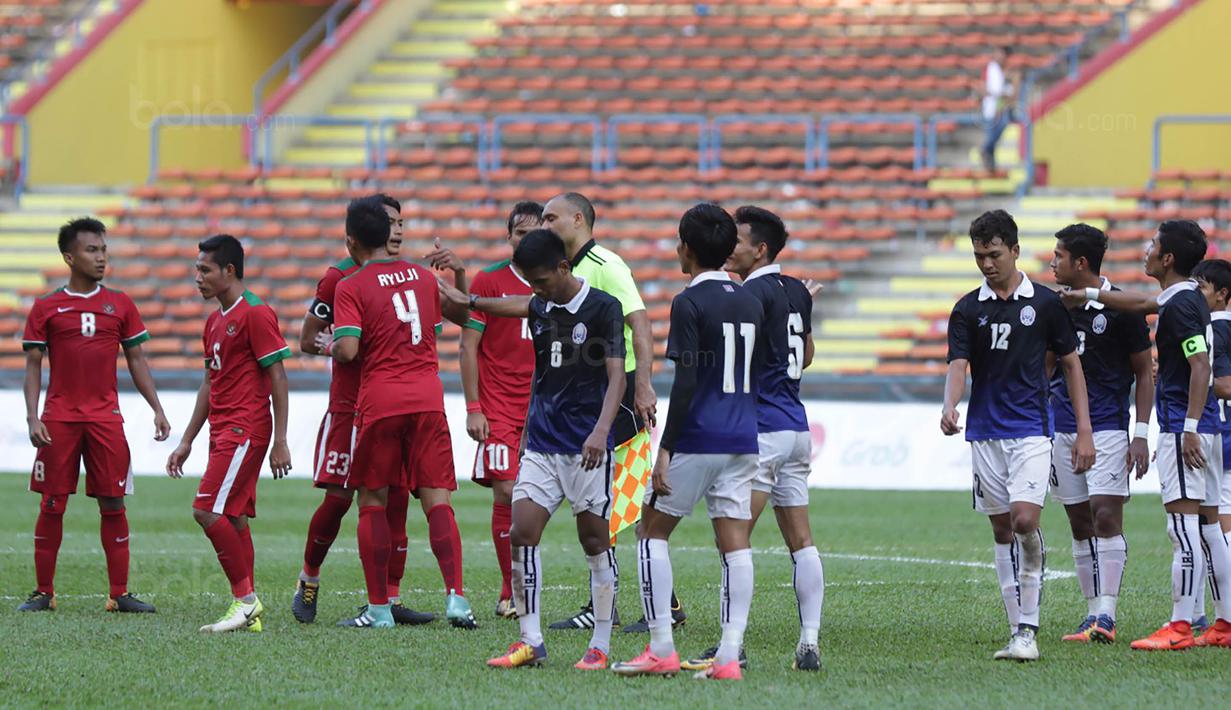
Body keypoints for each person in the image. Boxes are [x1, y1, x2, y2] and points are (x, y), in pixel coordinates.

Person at [440, 228, 626, 669]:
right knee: (522, 530)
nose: (536, 292)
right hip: (542, 442)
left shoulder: (603, 308)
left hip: (587, 446)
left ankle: (599, 644)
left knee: (594, 539)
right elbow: (520, 305)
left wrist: (601, 431)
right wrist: (472, 302)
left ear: (564, 268)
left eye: (541, 281)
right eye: (531, 284)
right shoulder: (541, 301)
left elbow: (617, 376)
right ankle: (530, 640)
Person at [1062, 220, 1231, 649]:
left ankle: (1178, 627)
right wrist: (1090, 294)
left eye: (1153, 244)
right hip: (1206, 426)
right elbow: (1141, 303)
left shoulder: (1182, 306)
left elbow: (1199, 366)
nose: (1146, 249)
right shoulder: (1183, 298)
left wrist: (1188, 427)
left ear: (1168, 257)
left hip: (1184, 427)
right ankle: (1224, 624)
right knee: (1211, 529)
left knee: (1182, 527)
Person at [612, 204, 762, 681]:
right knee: (735, 544)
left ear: (688, 249)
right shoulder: (750, 298)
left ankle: (660, 647)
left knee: (649, 532)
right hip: (743, 437)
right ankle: (728, 658)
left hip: (700, 435)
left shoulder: (688, 302)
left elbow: (689, 379)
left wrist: (666, 448)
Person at [941, 209, 1095, 662]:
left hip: (1031, 430)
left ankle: (1029, 625)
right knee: (1002, 529)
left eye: (993, 254)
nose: (986, 264)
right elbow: (957, 365)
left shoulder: (1045, 304)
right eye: (978, 256)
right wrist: (950, 405)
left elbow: (1071, 365)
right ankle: (1017, 632)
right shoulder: (967, 308)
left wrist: (1083, 430)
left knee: (1024, 521)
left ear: (1014, 250)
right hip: (984, 432)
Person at [682, 205, 821, 673]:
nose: (729, 248)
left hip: (760, 429)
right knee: (801, 540)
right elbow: (807, 354)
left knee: (733, 540)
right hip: (797, 429)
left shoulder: (748, 295)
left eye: (737, 242)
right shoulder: (798, 290)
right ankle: (809, 641)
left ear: (759, 250)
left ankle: (731, 646)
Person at [327, 196, 475, 629]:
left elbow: (349, 348)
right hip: (428, 398)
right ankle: (457, 598)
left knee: (372, 500)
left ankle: (378, 609)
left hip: (381, 402)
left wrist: (333, 345)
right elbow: (442, 323)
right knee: (437, 500)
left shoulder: (350, 286)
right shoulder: (424, 279)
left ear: (352, 241)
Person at [540, 191, 685, 633]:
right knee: (608, 496)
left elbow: (639, 321)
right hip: (591, 394)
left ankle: (643, 605)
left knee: (619, 495)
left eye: (551, 217)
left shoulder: (605, 265)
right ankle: (656, 603)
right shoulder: (568, 271)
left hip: (618, 394)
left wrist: (643, 385)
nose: (545, 225)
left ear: (578, 219)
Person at [291, 194, 433, 626]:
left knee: (394, 504)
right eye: (389, 223)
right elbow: (307, 339)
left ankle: (389, 597)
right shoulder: (339, 278)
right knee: (338, 500)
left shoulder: (407, 276)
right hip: (350, 407)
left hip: (391, 407)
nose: (397, 231)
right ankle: (309, 578)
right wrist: (333, 346)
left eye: (401, 222)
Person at [18, 217, 170, 614]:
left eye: (103, 249)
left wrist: (157, 407)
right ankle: (43, 593)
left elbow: (137, 359)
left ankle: (119, 594)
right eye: (91, 250)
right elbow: (33, 365)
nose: (101, 257)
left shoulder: (120, 303)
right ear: (69, 257)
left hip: (106, 419)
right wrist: (33, 417)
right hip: (60, 419)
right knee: (52, 503)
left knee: (113, 502)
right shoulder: (46, 307)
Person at [166, 234, 292, 633]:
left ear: (229, 271)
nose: (197, 278)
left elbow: (278, 376)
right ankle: (247, 609)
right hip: (223, 428)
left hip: (246, 427)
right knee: (234, 517)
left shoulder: (255, 314)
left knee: (206, 509)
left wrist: (282, 440)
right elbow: (209, 383)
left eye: (204, 270)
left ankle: (246, 601)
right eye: (196, 269)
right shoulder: (214, 320)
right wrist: (186, 440)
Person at [1046, 224, 1152, 645]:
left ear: (1081, 263)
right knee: (1079, 522)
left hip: (1108, 426)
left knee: (1106, 515)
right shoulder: (1056, 308)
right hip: (1062, 426)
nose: (1053, 262)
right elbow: (1048, 366)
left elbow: (1144, 372)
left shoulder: (1123, 307)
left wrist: (1141, 433)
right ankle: (1090, 614)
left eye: (1059, 255)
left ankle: (1107, 615)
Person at [460, 201, 541, 618]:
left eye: (533, 233)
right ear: (509, 236)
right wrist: (475, 407)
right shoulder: (489, 281)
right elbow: (468, 345)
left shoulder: (556, 280)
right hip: (499, 407)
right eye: (519, 233)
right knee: (508, 491)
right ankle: (510, 591)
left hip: (544, 408)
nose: (524, 241)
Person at [1192, 258, 1231, 638]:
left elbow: (1221, 384)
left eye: (1201, 287)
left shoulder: (1215, 327)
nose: (1195, 294)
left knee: (1214, 529)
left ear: (1222, 295)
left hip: (1221, 434)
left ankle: (1219, 617)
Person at [980, 45, 1015, 173]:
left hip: (998, 107)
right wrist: (998, 96)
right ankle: (988, 159)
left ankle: (990, 163)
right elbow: (985, 89)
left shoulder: (1003, 71)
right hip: (990, 108)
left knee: (996, 133)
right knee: (993, 135)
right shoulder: (990, 69)